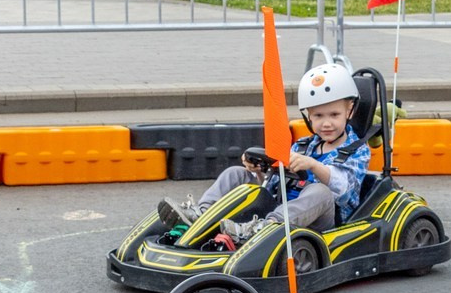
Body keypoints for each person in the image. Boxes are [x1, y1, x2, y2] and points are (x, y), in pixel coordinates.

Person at [158, 62, 376, 250]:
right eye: (318, 115)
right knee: (236, 173)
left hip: (323, 218)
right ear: (308, 116)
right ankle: (201, 215)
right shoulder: (303, 145)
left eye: (334, 115)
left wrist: (313, 165)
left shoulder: (356, 150)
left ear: (350, 111)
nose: (326, 123)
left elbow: (343, 189)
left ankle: (266, 228)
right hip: (280, 204)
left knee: (319, 191)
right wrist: (260, 170)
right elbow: (277, 181)